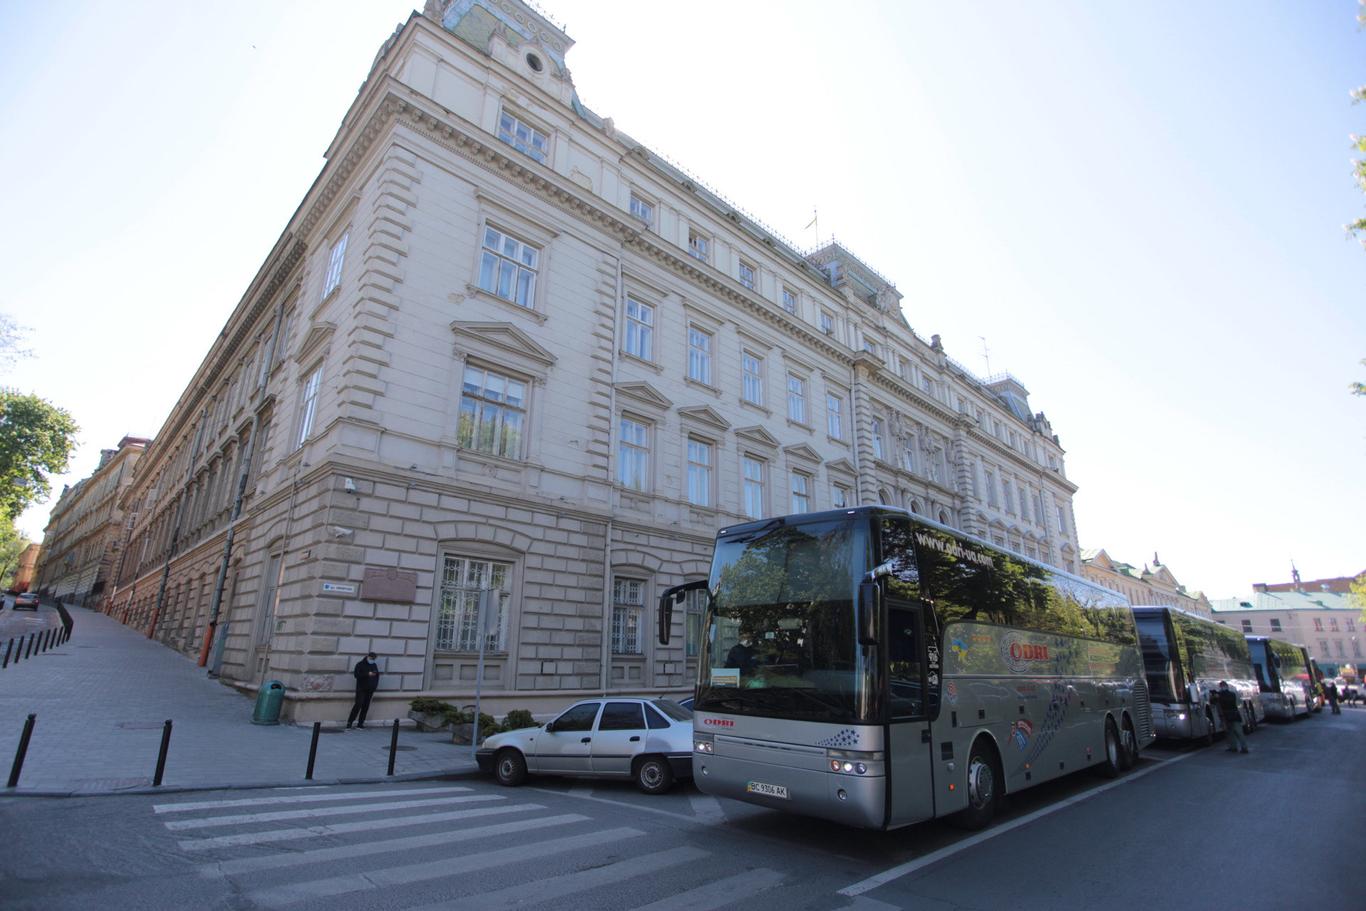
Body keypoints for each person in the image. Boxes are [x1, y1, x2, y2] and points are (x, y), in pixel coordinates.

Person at [347, 652, 381, 729]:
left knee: (365, 706)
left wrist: (374, 686)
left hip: (370, 689)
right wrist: (367, 674)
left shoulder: (374, 665)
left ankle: (360, 723)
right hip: (361, 689)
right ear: (368, 657)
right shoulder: (360, 664)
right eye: (372, 659)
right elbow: (356, 675)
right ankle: (350, 722)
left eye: (374, 659)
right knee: (358, 704)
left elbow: (377, 676)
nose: (373, 660)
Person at [1214, 681, 1248, 754]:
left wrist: (1218, 695)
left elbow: (1222, 701)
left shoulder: (1224, 695)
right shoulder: (1231, 694)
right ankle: (1237, 747)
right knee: (1233, 732)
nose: (1222, 687)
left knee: (1233, 732)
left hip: (1229, 715)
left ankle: (1238, 747)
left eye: (1222, 686)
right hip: (1233, 715)